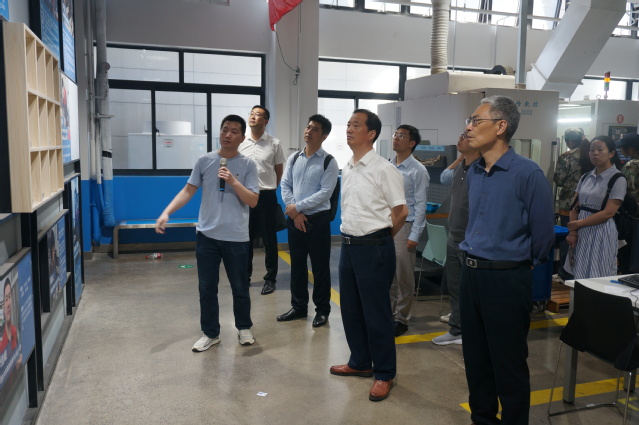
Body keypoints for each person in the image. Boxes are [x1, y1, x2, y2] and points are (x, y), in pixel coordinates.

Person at [459, 96, 555, 424]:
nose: (468, 127)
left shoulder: (528, 173)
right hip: (471, 275)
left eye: (476, 120)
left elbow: (543, 236)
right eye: (469, 121)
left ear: (501, 126)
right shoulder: (474, 171)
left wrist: (517, 265)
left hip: (506, 279)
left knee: (508, 363)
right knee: (476, 358)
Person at [155, 115, 259, 350]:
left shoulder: (248, 165)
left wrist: (233, 181)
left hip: (236, 237)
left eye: (234, 131)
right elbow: (188, 191)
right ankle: (211, 333)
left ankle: (244, 327)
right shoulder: (205, 160)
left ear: (242, 138)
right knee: (206, 288)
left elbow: (253, 200)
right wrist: (166, 212)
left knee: (240, 287)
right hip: (207, 236)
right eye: (224, 130)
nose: (228, 135)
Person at [329, 109, 408, 402]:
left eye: (356, 125)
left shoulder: (384, 169)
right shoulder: (349, 166)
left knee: (376, 314)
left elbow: (401, 211)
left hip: (374, 247)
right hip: (348, 247)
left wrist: (381, 238)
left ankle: (384, 373)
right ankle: (360, 361)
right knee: (350, 309)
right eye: (348, 124)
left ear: (371, 134)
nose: (349, 129)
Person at [277, 114, 339, 328]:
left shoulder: (329, 161)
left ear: (324, 136)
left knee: (320, 267)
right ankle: (299, 307)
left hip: (317, 221)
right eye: (308, 127)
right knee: (297, 266)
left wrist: (298, 207)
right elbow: (285, 185)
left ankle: (322, 310)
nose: (309, 131)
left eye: (315, 129)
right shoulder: (294, 158)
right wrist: (294, 212)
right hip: (295, 220)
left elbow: (325, 193)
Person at [432, 132, 480, 346]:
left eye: (465, 136)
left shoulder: (481, 170)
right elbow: (444, 177)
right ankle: (457, 329)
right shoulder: (461, 168)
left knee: (471, 290)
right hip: (454, 237)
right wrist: (461, 158)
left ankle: (472, 331)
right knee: (455, 287)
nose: (459, 139)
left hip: (471, 241)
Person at [239, 105, 286, 295]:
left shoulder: (274, 143)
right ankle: (245, 277)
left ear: (265, 121)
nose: (253, 116)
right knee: (245, 240)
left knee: (269, 240)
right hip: (245, 196)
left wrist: (270, 187)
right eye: (251, 113)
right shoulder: (241, 142)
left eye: (257, 114)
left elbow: (279, 171)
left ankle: (270, 279)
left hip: (266, 197)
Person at [567, 135, 626, 279]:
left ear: (611, 153)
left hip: (602, 230)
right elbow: (575, 206)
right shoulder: (585, 177)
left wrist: (578, 224)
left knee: (600, 272)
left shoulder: (618, 179)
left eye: (600, 150)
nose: (595, 153)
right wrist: (573, 232)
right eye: (592, 150)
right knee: (580, 271)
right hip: (582, 232)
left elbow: (608, 213)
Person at [389, 125, 429, 337]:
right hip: (387, 225)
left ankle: (401, 318)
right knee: (388, 275)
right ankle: (388, 313)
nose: (396, 138)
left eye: (401, 136)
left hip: (406, 226)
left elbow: (421, 205)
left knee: (404, 276)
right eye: (395, 134)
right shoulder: (388, 166)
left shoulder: (418, 170)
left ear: (412, 143)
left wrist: (415, 234)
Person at [553, 128, 593, 275]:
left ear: (569, 141)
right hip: (589, 204)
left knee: (568, 237)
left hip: (569, 205)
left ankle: (565, 272)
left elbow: (559, 180)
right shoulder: (591, 153)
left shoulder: (567, 157)